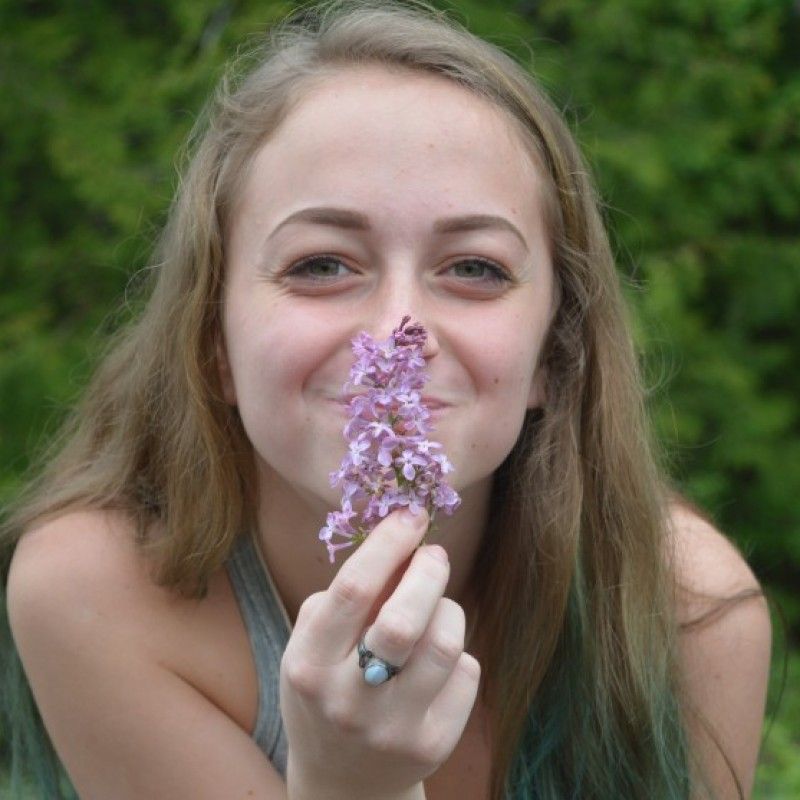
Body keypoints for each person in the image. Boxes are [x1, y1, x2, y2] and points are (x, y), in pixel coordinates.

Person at [0, 1, 772, 798]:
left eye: (475, 268)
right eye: (321, 264)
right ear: (211, 343)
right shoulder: (94, 592)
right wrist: (349, 785)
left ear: (555, 351)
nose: (399, 331)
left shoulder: (688, 620)